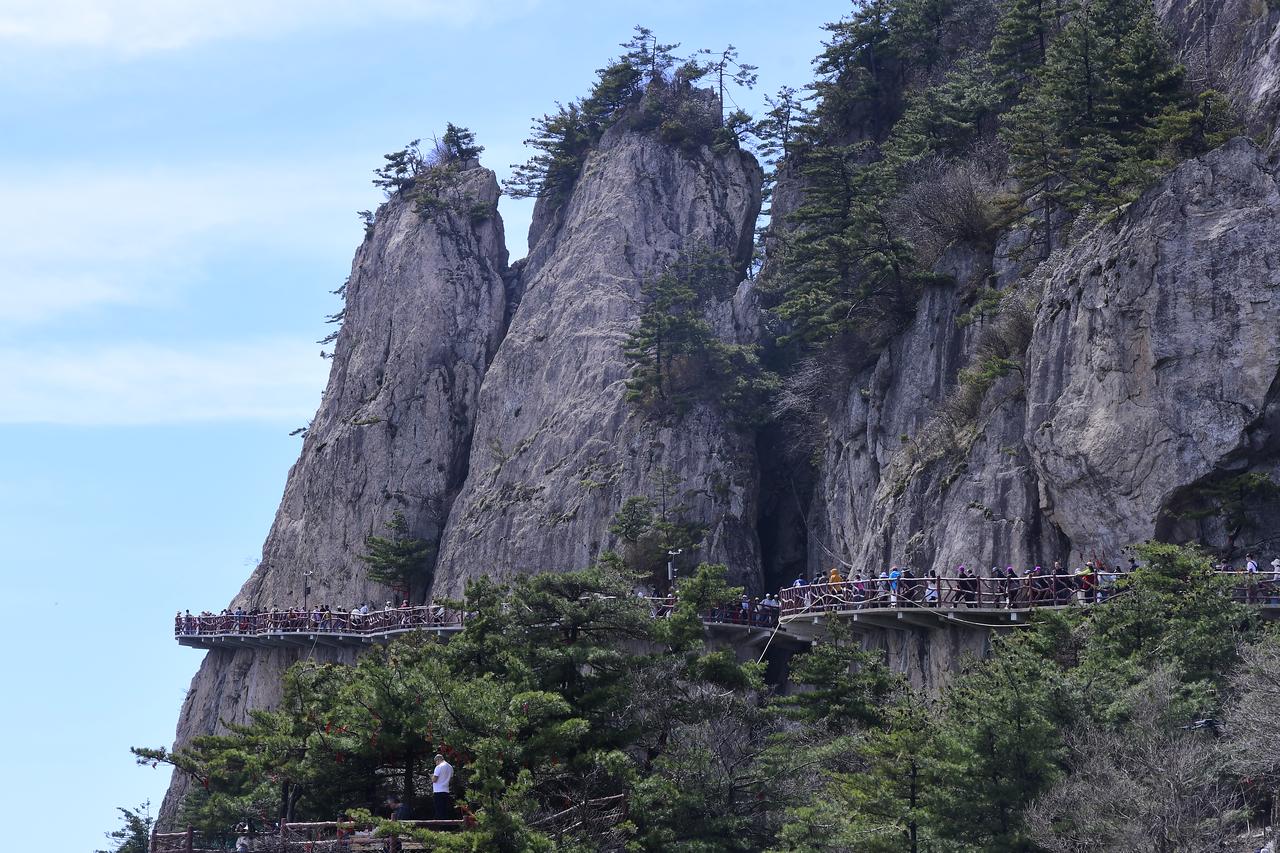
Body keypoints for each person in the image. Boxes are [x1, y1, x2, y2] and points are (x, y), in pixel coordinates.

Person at [432, 753, 454, 819]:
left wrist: (431, 777)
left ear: (438, 760)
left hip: (438, 791)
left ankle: (440, 827)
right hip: (446, 791)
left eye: (436, 762)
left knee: (439, 811)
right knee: (445, 811)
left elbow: (434, 779)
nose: (436, 763)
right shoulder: (450, 767)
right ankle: (447, 827)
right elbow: (451, 779)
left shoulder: (439, 767)